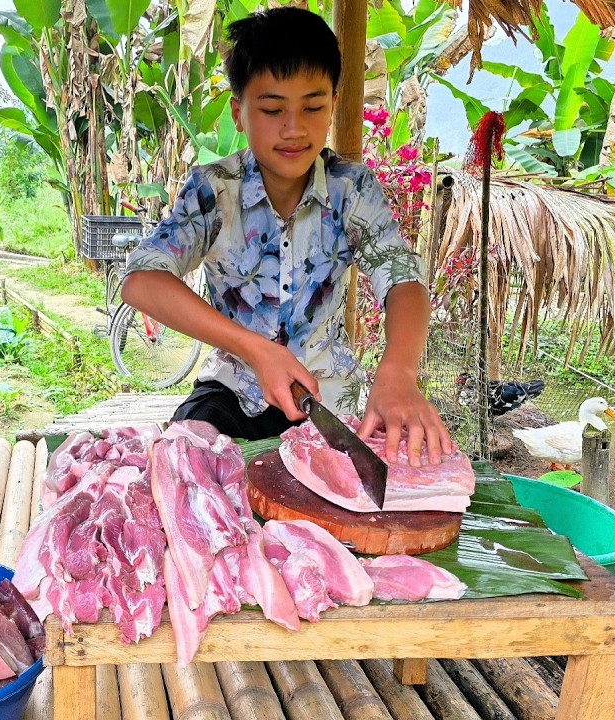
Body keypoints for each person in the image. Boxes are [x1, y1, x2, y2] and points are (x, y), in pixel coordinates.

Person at [120, 6, 454, 466]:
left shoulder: (351, 190)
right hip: (234, 395)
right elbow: (141, 280)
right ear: (239, 113)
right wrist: (257, 351)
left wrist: (398, 371)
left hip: (328, 407)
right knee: (179, 464)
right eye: (273, 108)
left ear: (333, 105)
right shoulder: (214, 190)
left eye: (312, 107)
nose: (294, 127)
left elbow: (404, 281)